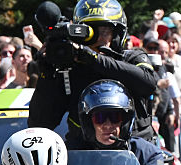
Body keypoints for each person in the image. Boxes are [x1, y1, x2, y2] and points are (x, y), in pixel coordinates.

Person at [28, 0, 158, 146]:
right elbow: (40, 123)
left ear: (117, 34)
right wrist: (47, 75)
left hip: (135, 154)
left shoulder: (132, 58)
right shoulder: (69, 69)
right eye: (91, 34)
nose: (98, 40)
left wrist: (93, 59)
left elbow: (148, 83)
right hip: (85, 158)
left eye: (104, 32)